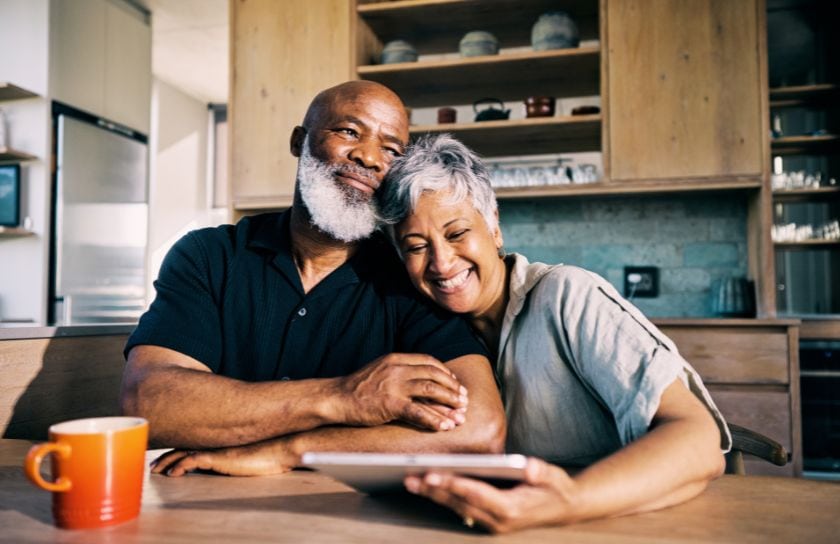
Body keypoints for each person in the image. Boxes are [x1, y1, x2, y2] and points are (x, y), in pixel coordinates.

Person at [120, 82, 505, 477]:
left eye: (390, 150)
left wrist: (292, 449)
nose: (369, 157)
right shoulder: (209, 256)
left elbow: (480, 429)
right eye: (349, 132)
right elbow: (148, 403)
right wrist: (343, 397)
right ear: (299, 141)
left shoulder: (409, 278)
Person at [376, 134, 731, 533]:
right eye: (416, 246)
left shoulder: (567, 295)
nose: (441, 262)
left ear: (494, 228)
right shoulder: (429, 336)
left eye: (457, 234)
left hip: (625, 525)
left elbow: (700, 441)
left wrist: (568, 501)